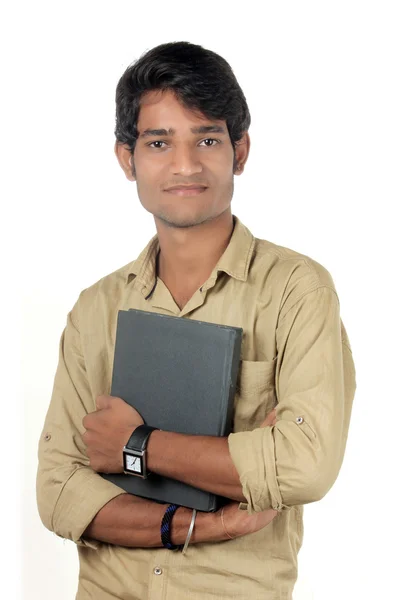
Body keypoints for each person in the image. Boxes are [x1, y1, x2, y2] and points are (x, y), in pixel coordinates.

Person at [36, 41, 357, 600]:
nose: (185, 165)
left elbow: (305, 466)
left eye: (206, 139)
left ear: (241, 150)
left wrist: (134, 444)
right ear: (126, 158)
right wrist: (210, 519)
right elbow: (59, 492)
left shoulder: (297, 290)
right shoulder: (96, 309)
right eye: (159, 142)